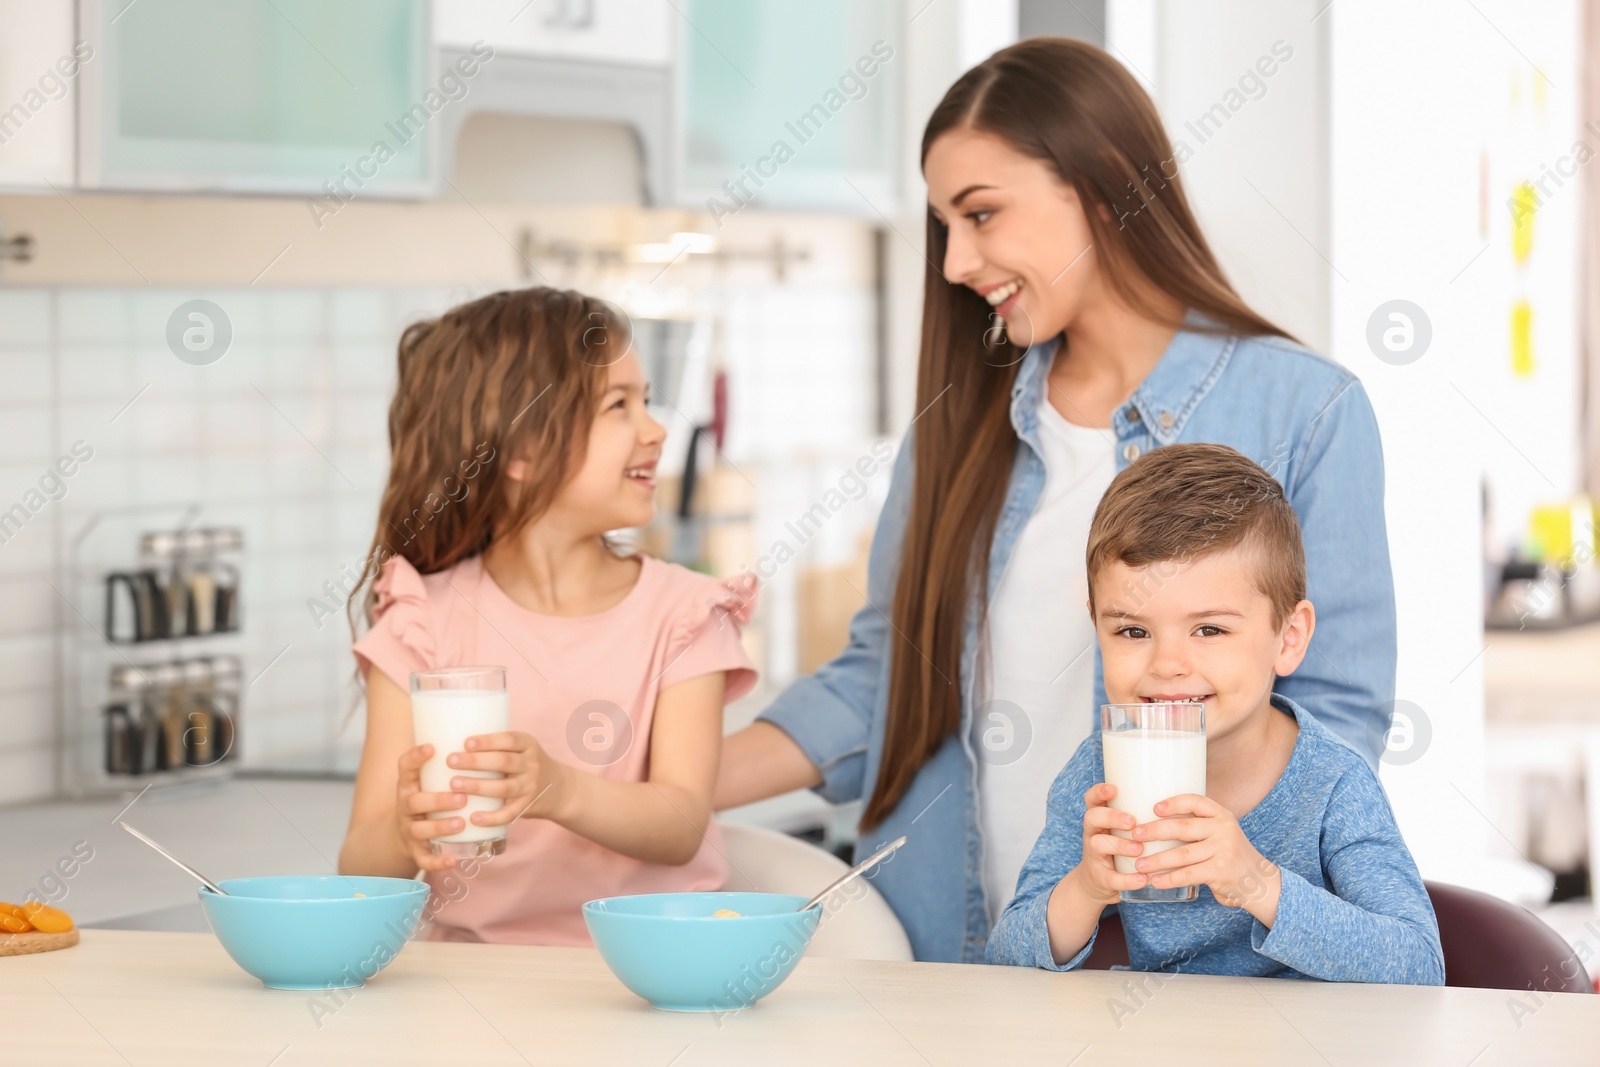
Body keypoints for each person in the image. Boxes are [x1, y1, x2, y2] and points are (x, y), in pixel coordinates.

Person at [715, 37, 1397, 964]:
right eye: (944, 225)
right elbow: (884, 679)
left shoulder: (1306, 410)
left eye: (982, 214)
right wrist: (627, 788)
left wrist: (1213, 879)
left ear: (1105, 182)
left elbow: (1334, 718)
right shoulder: (959, 426)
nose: (955, 261)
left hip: (1200, 970)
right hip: (958, 952)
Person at [337, 287, 758, 945]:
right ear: (521, 450)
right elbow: (358, 864)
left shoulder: (683, 614)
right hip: (475, 987)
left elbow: (680, 822)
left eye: (645, 400)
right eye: (618, 405)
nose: (655, 429)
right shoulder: (424, 623)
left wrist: (557, 789)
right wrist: (402, 832)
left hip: (653, 968)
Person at [987, 443, 1442, 984]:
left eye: (1210, 630)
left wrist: (1255, 881)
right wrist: (1086, 888)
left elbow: (1418, 965)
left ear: (1287, 638)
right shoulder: (1099, 773)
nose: (1169, 664)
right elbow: (1005, 961)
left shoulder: (1333, 783)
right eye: (1133, 631)